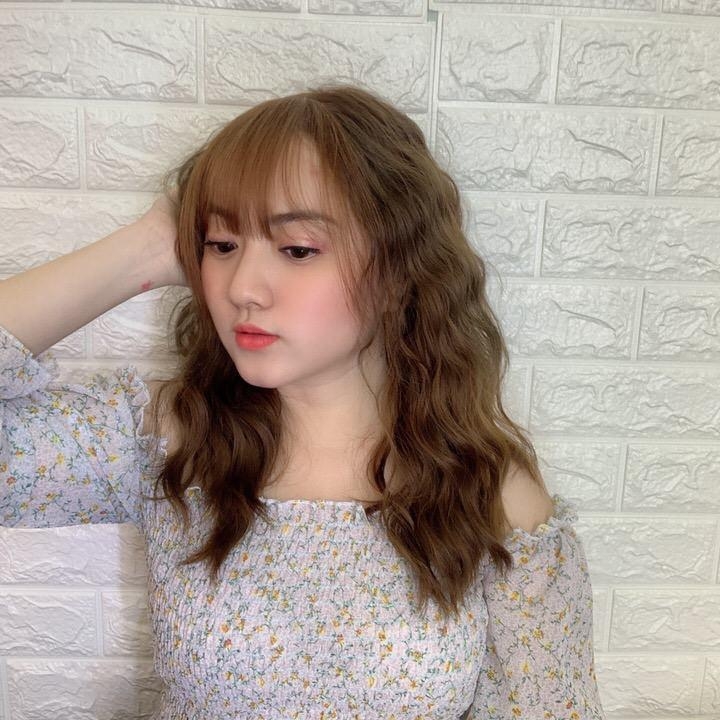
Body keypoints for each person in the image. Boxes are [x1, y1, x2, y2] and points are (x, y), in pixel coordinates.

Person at [0, 84, 605, 719]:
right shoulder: (168, 438)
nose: (242, 288)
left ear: (401, 265)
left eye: (297, 249)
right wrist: (146, 248)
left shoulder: (490, 490)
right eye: (221, 244)